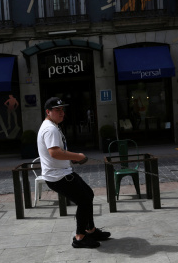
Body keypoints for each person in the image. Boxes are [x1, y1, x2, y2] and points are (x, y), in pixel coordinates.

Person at [37, 97, 111, 249]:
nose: (61, 112)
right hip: (58, 176)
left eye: (62, 109)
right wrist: (77, 156)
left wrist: (71, 159)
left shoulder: (51, 125)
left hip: (61, 172)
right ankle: (80, 237)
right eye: (57, 110)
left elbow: (58, 153)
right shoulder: (50, 129)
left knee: (88, 194)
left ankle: (90, 230)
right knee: (84, 200)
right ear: (48, 112)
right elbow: (55, 152)